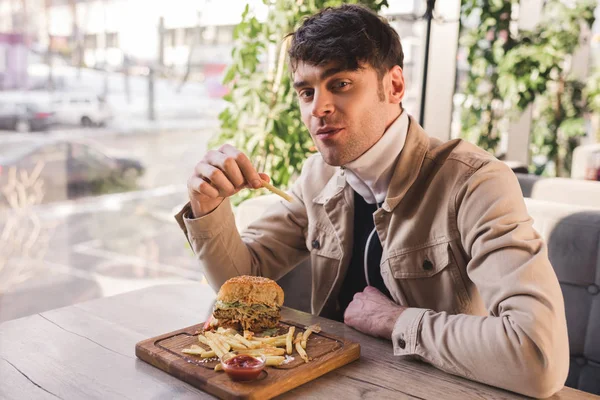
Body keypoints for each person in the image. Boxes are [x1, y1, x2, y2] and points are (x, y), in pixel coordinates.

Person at [176, 4, 568, 397]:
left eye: (341, 84)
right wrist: (207, 206)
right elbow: (241, 281)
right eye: (306, 92)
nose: (319, 109)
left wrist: (397, 321)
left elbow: (538, 357)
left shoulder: (475, 182)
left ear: (394, 86)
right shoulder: (318, 176)